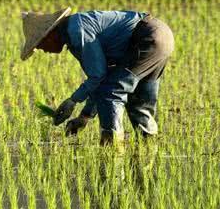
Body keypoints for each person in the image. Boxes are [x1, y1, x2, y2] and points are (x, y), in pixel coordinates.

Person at [20, 8, 174, 145]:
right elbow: (100, 78)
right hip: (162, 35)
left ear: (49, 35)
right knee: (139, 101)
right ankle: (149, 145)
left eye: (39, 45)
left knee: (112, 91)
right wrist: (84, 117)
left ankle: (112, 147)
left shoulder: (77, 31)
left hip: (147, 38)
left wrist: (72, 101)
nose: (42, 50)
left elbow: (98, 76)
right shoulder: (74, 28)